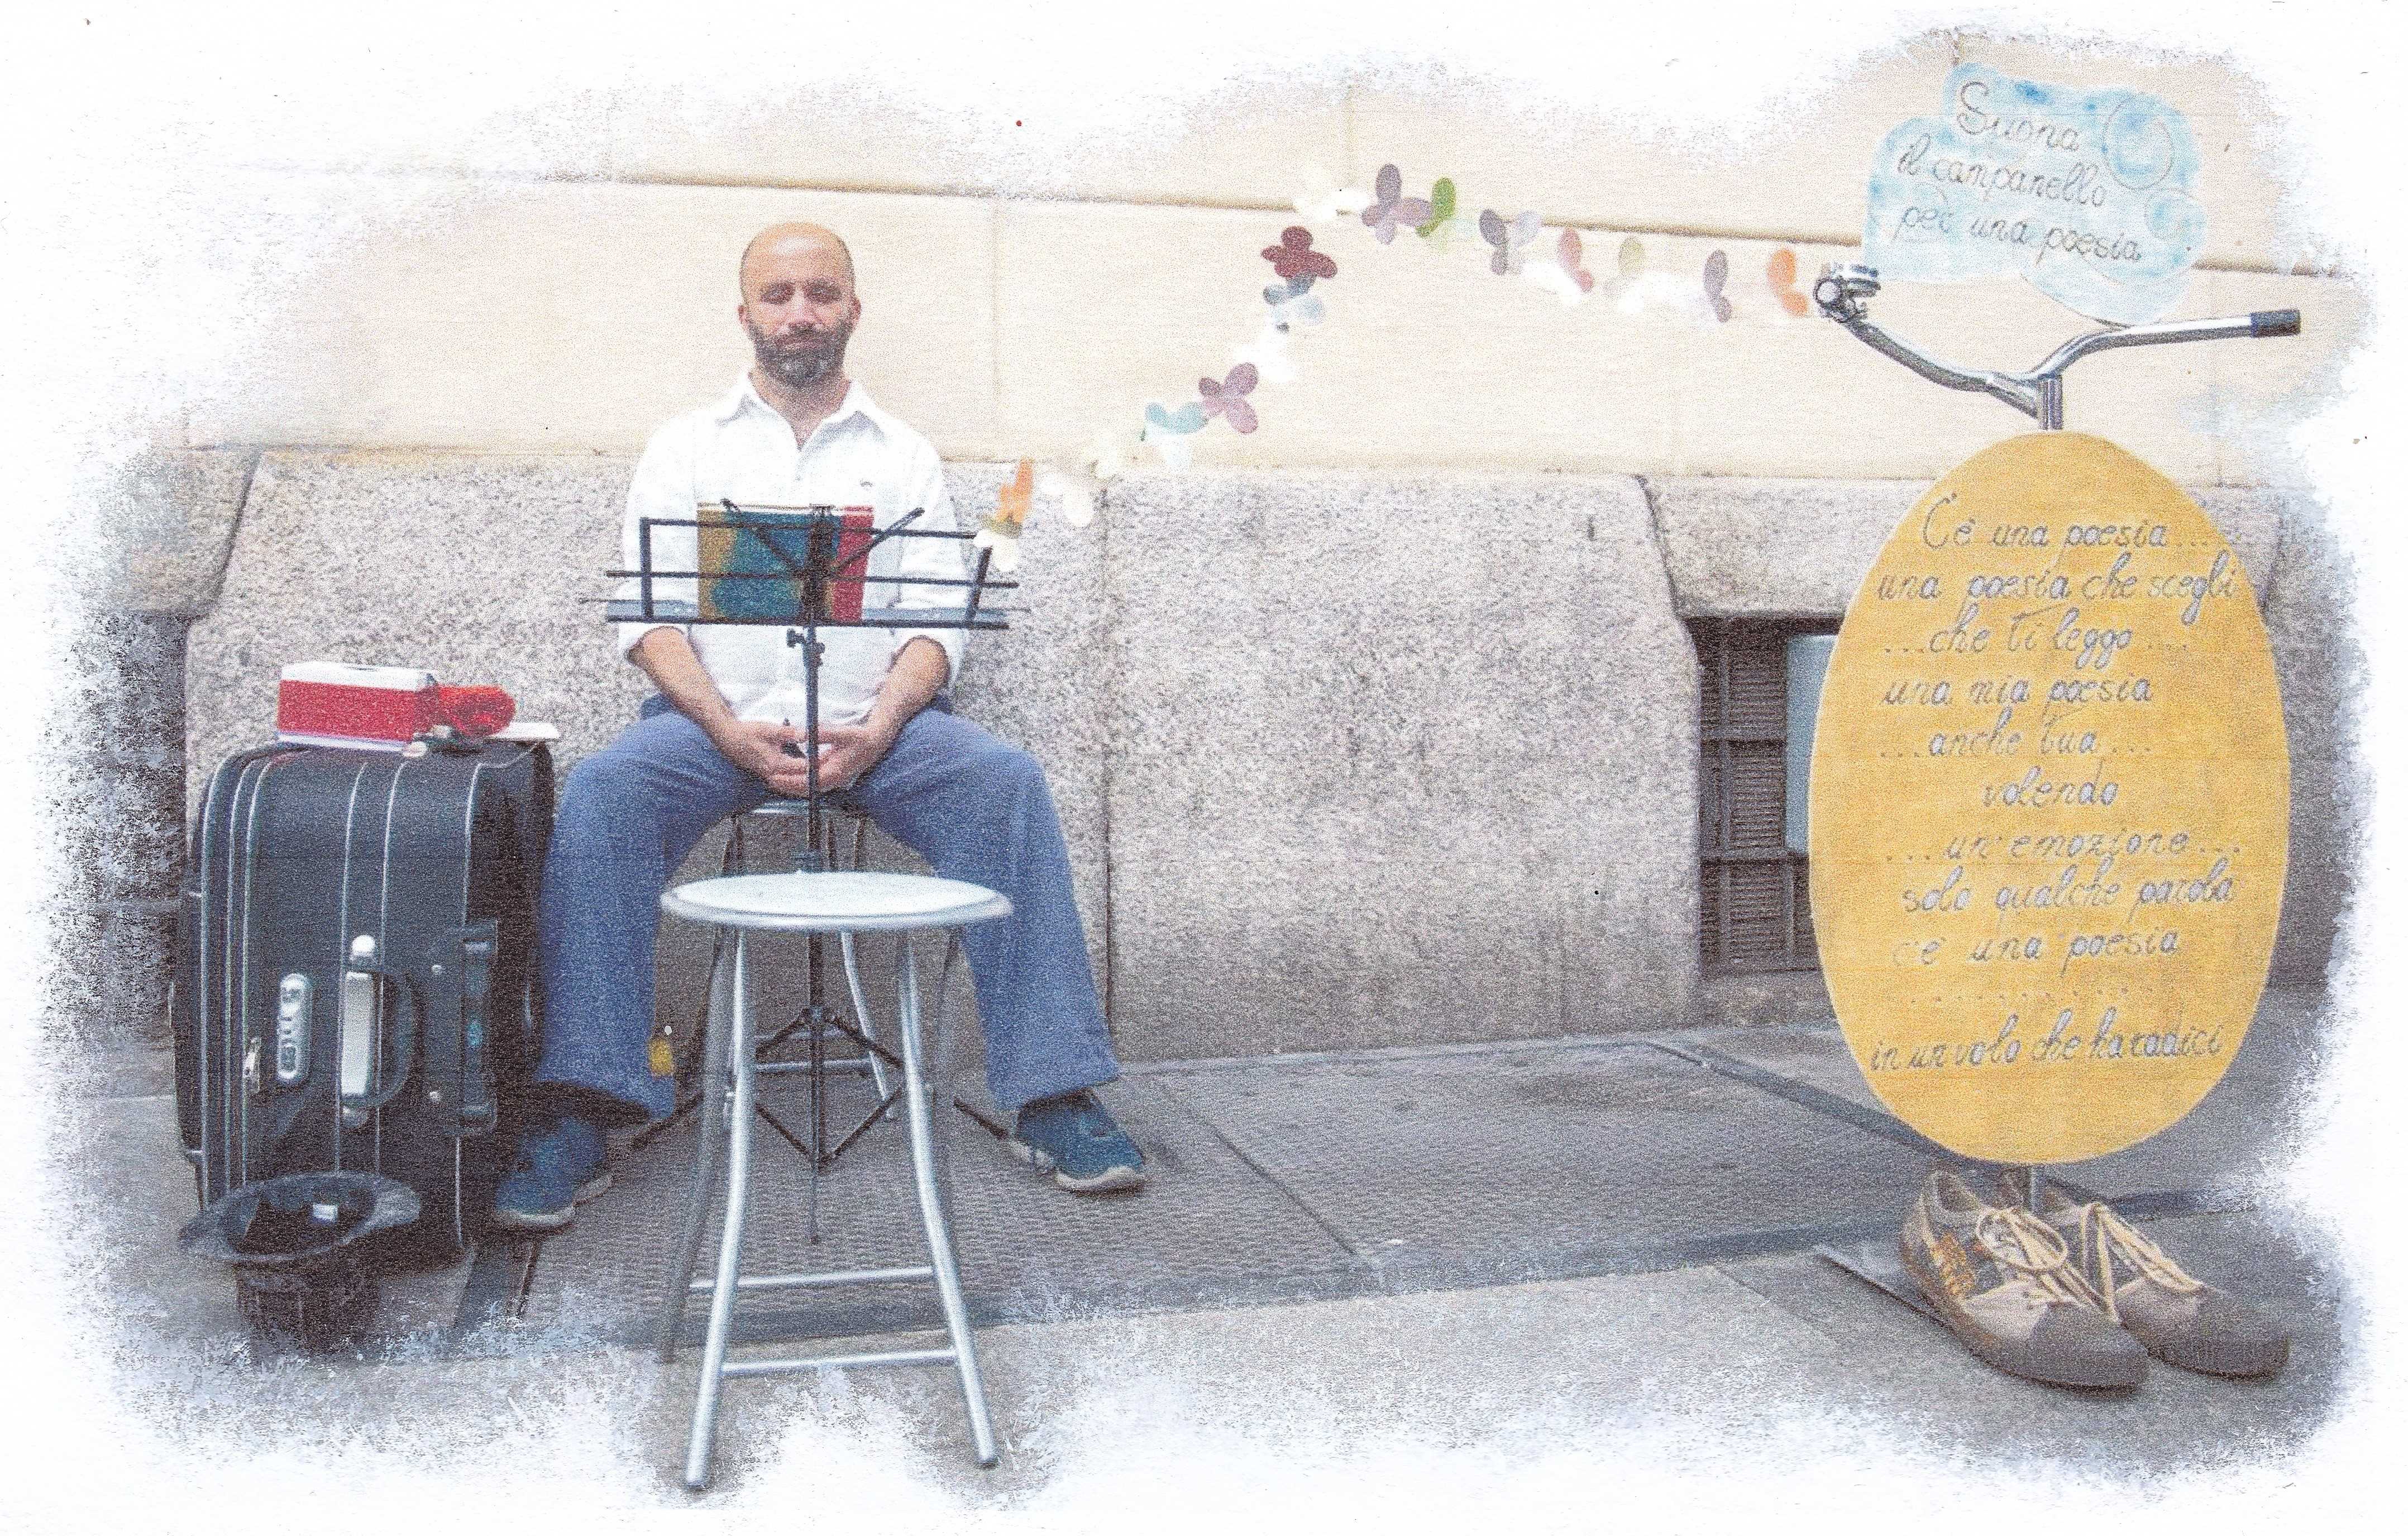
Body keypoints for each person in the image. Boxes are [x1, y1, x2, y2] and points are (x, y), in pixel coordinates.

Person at [493, 222, 1143, 1230]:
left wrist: (879, 726)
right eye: (780, 294)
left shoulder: (903, 454)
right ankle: (586, 1102)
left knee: (1002, 781)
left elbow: (933, 626)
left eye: (822, 293)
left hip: (874, 732)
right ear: (745, 313)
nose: (801, 313)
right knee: (605, 792)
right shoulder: (687, 446)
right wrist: (724, 727)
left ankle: (1054, 1095)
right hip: (714, 726)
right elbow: (649, 621)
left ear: (853, 310)